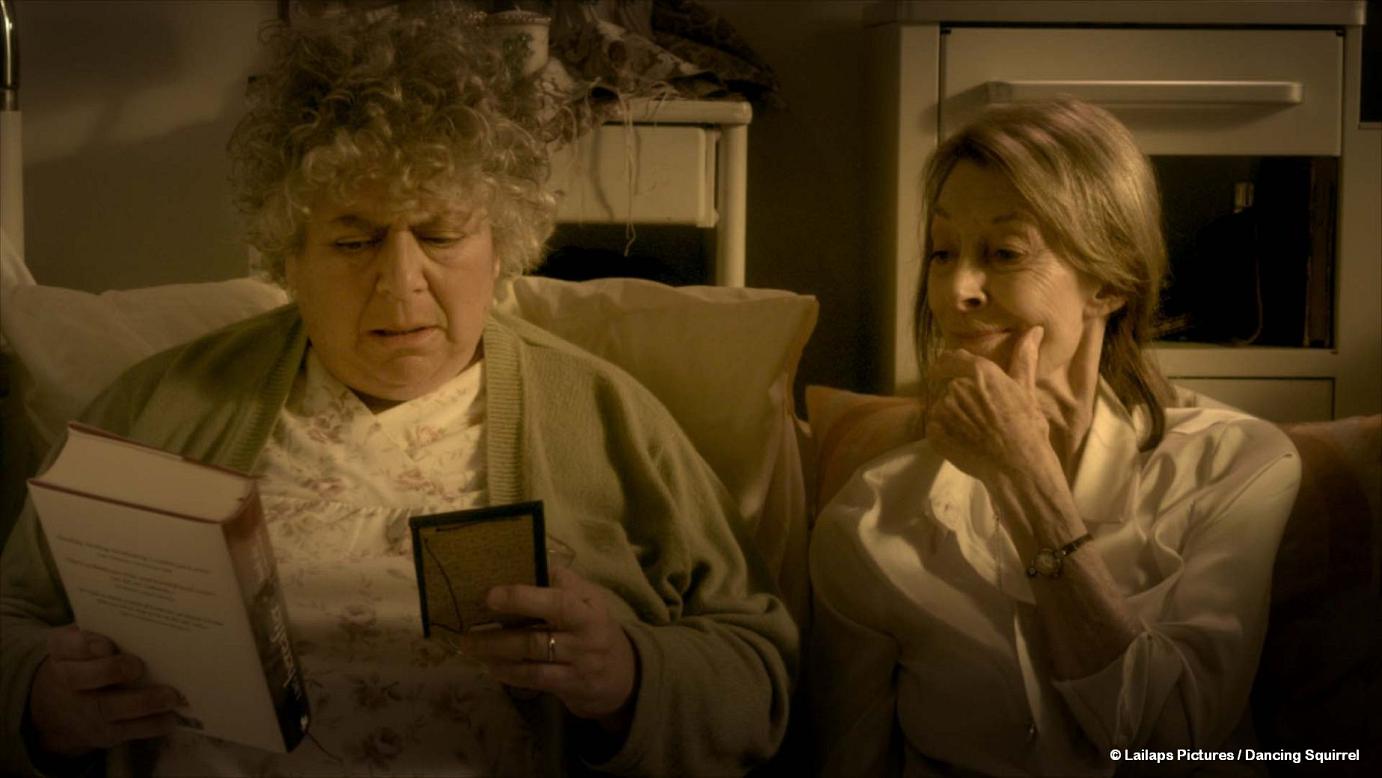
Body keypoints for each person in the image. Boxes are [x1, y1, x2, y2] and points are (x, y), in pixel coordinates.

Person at [0, 5, 795, 776]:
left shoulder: (609, 418)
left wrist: (625, 674)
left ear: (502, 245)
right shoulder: (159, 407)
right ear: (289, 257)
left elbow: (758, 678)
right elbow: (14, 621)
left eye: (441, 236)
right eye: (354, 241)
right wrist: (43, 702)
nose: (401, 283)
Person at [808, 97, 1300, 776]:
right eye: (942, 252)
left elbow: (1170, 740)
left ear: (1109, 283)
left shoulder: (1236, 465)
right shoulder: (870, 518)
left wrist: (1026, 478)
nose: (956, 290)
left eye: (1004, 253)